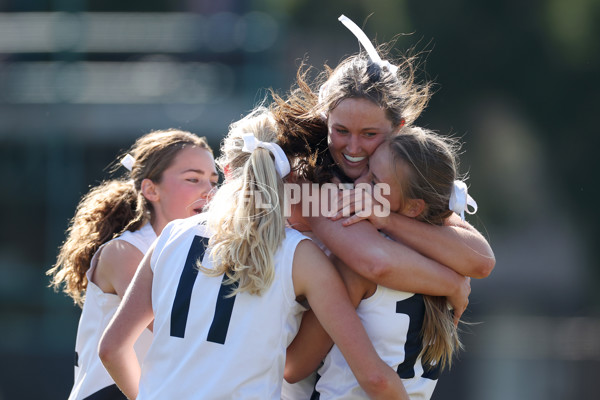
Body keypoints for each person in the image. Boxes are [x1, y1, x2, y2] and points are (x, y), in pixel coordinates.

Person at [98, 107, 409, 400]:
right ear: (292, 178)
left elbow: (111, 349)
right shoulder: (301, 256)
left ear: (228, 169)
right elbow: (374, 377)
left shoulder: (171, 235)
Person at [271, 15, 494, 398]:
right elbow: (375, 263)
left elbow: (481, 260)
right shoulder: (307, 181)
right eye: (340, 130)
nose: (353, 149)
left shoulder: (403, 187)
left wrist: (388, 217)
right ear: (325, 119)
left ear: (399, 128)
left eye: (370, 134)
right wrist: (450, 281)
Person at [287, 127, 471, 399]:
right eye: (366, 171)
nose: (359, 184)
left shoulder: (357, 265)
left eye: (374, 183)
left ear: (413, 208)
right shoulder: (454, 265)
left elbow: (294, 366)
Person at [47, 129, 218, 400]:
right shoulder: (125, 251)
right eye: (193, 179)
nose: (209, 191)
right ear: (151, 189)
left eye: (213, 180)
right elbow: (174, 335)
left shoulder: (199, 252)